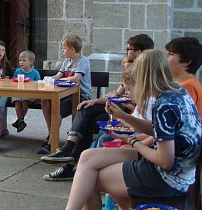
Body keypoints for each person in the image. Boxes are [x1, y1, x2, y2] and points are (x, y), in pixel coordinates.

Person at [36, 49, 202, 210]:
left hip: (169, 177)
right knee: (88, 157)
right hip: (180, 167)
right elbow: (162, 131)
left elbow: (165, 161)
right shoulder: (176, 92)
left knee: (90, 180)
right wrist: (125, 117)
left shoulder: (164, 104)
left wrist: (131, 140)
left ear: (144, 75)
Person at [40, 33, 154, 181]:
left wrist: (122, 101)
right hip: (121, 110)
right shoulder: (131, 69)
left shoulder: (147, 74)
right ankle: (70, 158)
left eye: (128, 49)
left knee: (89, 120)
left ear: (139, 52)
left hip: (131, 116)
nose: (126, 53)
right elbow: (116, 94)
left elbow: (137, 103)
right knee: (85, 109)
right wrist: (95, 101)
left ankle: (70, 161)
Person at [37, 34, 92, 158]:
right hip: (64, 93)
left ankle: (51, 143)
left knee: (58, 109)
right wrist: (49, 79)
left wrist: (61, 81)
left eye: (64, 48)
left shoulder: (83, 61)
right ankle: (51, 133)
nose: (62, 51)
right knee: (45, 100)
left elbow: (76, 78)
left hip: (80, 95)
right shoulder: (67, 61)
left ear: (72, 49)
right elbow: (59, 75)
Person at [165, 36, 202, 122]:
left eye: (171, 54)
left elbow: (172, 126)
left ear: (187, 61)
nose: (166, 57)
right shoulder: (184, 82)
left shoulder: (187, 86)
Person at [11, 50, 41, 133]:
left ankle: (20, 120)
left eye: (24, 60)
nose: (21, 62)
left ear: (31, 62)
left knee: (25, 100)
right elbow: (13, 81)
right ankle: (21, 121)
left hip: (30, 93)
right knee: (17, 101)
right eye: (20, 60)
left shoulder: (35, 73)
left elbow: (38, 84)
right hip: (18, 92)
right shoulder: (17, 71)